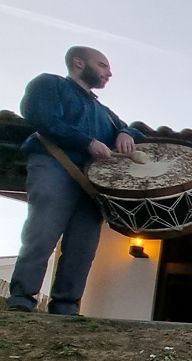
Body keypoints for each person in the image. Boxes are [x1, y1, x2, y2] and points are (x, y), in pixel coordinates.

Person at [7, 46, 144, 315]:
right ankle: (22, 299)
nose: (109, 72)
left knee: (83, 245)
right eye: (103, 65)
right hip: (53, 166)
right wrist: (86, 141)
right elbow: (40, 116)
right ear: (78, 62)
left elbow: (132, 129)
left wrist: (125, 133)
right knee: (42, 233)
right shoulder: (50, 84)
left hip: (91, 182)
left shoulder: (104, 111)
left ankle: (66, 305)